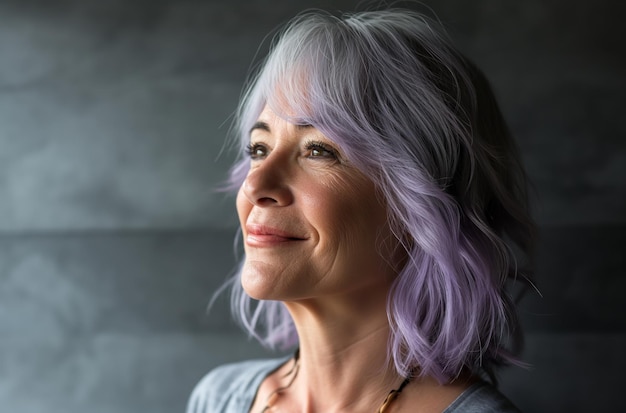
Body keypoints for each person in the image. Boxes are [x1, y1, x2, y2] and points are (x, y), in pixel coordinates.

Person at [187, 7, 536, 413]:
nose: (255, 185)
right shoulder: (217, 400)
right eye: (259, 149)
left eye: (319, 150)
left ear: (419, 201)